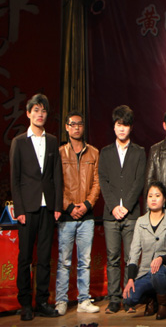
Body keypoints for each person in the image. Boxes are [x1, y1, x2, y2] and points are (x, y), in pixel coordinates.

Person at [9, 93, 62, 320]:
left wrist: (57, 205)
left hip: (47, 207)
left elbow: (57, 176)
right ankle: (25, 304)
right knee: (25, 258)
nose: (40, 114)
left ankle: (41, 301)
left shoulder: (52, 141)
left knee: (44, 257)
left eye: (44, 111)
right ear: (28, 113)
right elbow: (15, 179)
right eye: (36, 110)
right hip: (27, 208)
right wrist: (19, 210)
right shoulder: (19, 142)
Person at [98, 105, 146, 314]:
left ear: (131, 127)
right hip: (111, 215)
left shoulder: (139, 152)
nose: (122, 128)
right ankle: (114, 299)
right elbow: (103, 181)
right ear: (114, 126)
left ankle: (129, 298)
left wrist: (125, 206)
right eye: (119, 124)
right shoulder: (105, 152)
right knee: (113, 258)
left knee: (131, 258)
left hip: (131, 214)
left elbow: (139, 182)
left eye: (125, 125)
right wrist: (113, 207)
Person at [55, 110, 101, 316]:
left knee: (85, 261)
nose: (76, 127)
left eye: (79, 124)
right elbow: (57, 184)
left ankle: (84, 299)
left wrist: (87, 204)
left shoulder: (94, 153)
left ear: (83, 127)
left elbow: (97, 183)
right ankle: (61, 300)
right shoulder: (60, 153)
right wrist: (69, 207)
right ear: (66, 127)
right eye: (72, 124)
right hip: (67, 216)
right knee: (64, 261)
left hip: (87, 216)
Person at [123, 181, 166, 319]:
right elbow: (134, 252)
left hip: (163, 272)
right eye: (150, 196)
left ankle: (163, 304)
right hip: (145, 272)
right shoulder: (140, 222)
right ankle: (152, 299)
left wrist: (161, 259)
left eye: (157, 196)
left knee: (157, 271)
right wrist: (130, 278)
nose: (153, 199)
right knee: (129, 298)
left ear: (164, 200)